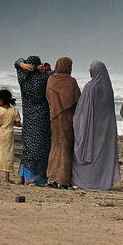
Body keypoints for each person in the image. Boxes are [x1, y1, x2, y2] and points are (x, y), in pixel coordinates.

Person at [72, 61, 120, 190]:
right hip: (106, 128)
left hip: (92, 126)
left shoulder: (91, 87)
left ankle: (87, 181)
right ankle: (102, 182)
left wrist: (77, 124)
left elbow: (83, 109)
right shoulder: (108, 88)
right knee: (102, 155)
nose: (89, 71)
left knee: (89, 151)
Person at [14, 56, 51, 185]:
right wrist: (47, 69)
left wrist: (22, 65)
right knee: (41, 148)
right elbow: (54, 74)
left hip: (28, 118)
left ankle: (22, 178)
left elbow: (17, 63)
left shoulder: (23, 80)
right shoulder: (43, 80)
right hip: (41, 117)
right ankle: (36, 178)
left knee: (28, 148)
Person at [45, 57, 81, 188]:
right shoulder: (71, 82)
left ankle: (53, 177)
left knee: (56, 147)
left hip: (54, 117)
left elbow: (48, 97)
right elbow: (78, 100)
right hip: (67, 119)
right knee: (65, 148)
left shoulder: (51, 80)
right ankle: (63, 179)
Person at [0, 88, 21, 183]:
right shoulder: (14, 110)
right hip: (9, 135)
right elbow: (18, 124)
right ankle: (7, 178)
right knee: (8, 154)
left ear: (2, 100)